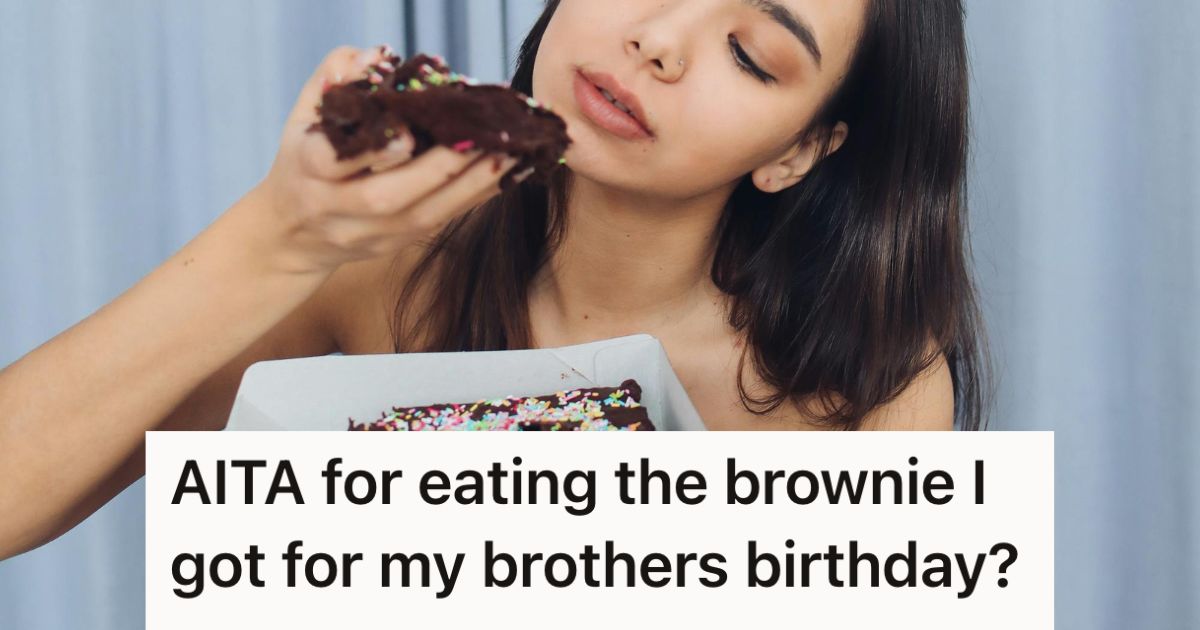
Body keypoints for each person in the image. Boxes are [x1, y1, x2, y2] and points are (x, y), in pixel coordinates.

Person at [0, 0, 989, 561]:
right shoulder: (374, 264)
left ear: (798, 151)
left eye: (748, 53)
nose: (658, 39)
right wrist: (280, 235)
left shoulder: (867, 390)